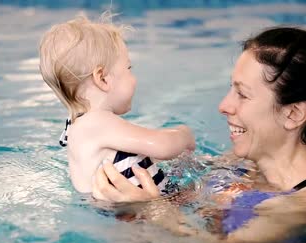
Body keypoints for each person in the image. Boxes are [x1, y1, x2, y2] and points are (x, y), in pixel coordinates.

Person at [92, 26, 306, 243]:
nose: (224, 106)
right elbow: (184, 197)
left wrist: (152, 209)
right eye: (232, 89)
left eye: (242, 94)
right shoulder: (246, 161)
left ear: (293, 114)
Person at [38, 15, 195, 196]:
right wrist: (184, 134)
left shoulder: (79, 124)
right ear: (103, 79)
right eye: (128, 69)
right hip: (130, 216)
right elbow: (163, 146)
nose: (134, 78)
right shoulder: (95, 122)